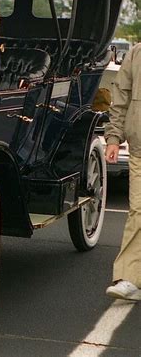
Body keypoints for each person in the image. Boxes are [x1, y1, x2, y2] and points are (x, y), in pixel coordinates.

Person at [104, 42, 141, 301]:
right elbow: (121, 98)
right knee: (138, 211)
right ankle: (129, 278)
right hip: (140, 149)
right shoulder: (136, 53)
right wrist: (114, 138)